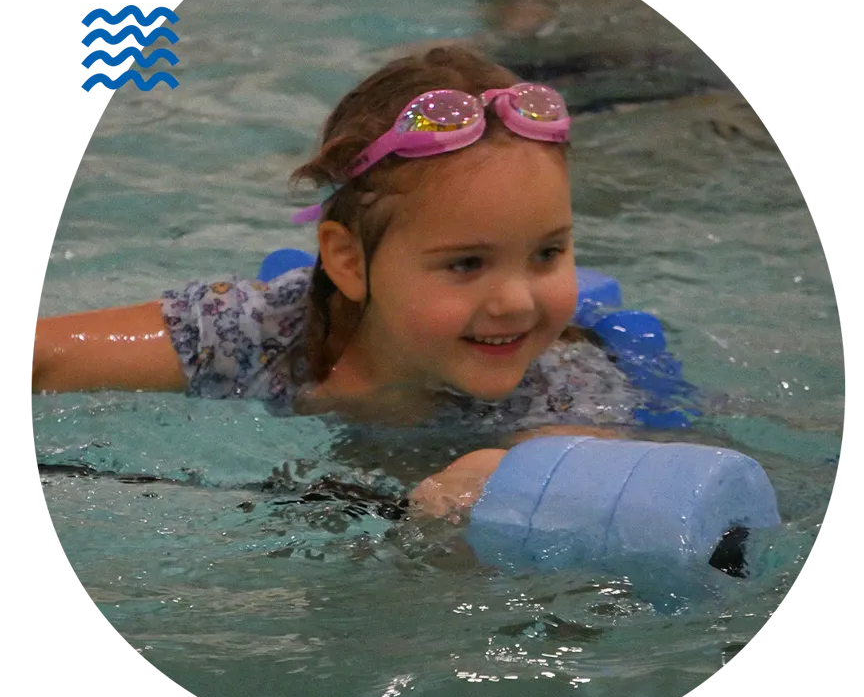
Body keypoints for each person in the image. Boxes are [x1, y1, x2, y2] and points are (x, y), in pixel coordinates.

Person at [32, 47, 640, 516]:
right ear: (349, 262)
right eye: (466, 264)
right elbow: (45, 358)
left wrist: (500, 479)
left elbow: (582, 488)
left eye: (547, 253)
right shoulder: (256, 331)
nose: (517, 301)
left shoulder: (565, 388)